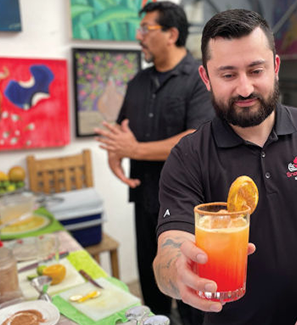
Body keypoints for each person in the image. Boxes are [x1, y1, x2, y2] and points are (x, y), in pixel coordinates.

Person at [152, 8, 297, 325]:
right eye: (228, 75)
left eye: (256, 71)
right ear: (206, 77)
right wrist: (176, 272)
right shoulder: (189, 155)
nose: (245, 89)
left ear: (275, 66)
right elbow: (169, 250)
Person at [94, 2, 213, 322]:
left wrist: (133, 149)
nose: (139, 36)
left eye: (146, 28)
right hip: (146, 198)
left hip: (190, 204)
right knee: (153, 282)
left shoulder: (199, 80)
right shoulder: (138, 82)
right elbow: (124, 132)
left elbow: (194, 138)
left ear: (172, 34)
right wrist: (114, 153)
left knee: (191, 288)